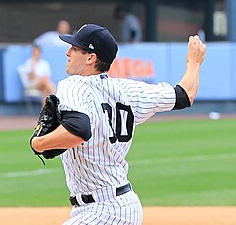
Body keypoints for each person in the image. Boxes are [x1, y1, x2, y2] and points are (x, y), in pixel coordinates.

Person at [31, 24, 206, 224]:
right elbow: (184, 96)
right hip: (125, 206)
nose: (68, 52)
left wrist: (38, 143)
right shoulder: (126, 90)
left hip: (101, 211)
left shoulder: (73, 84)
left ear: (90, 58)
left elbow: (79, 130)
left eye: (75, 48)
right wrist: (194, 62)